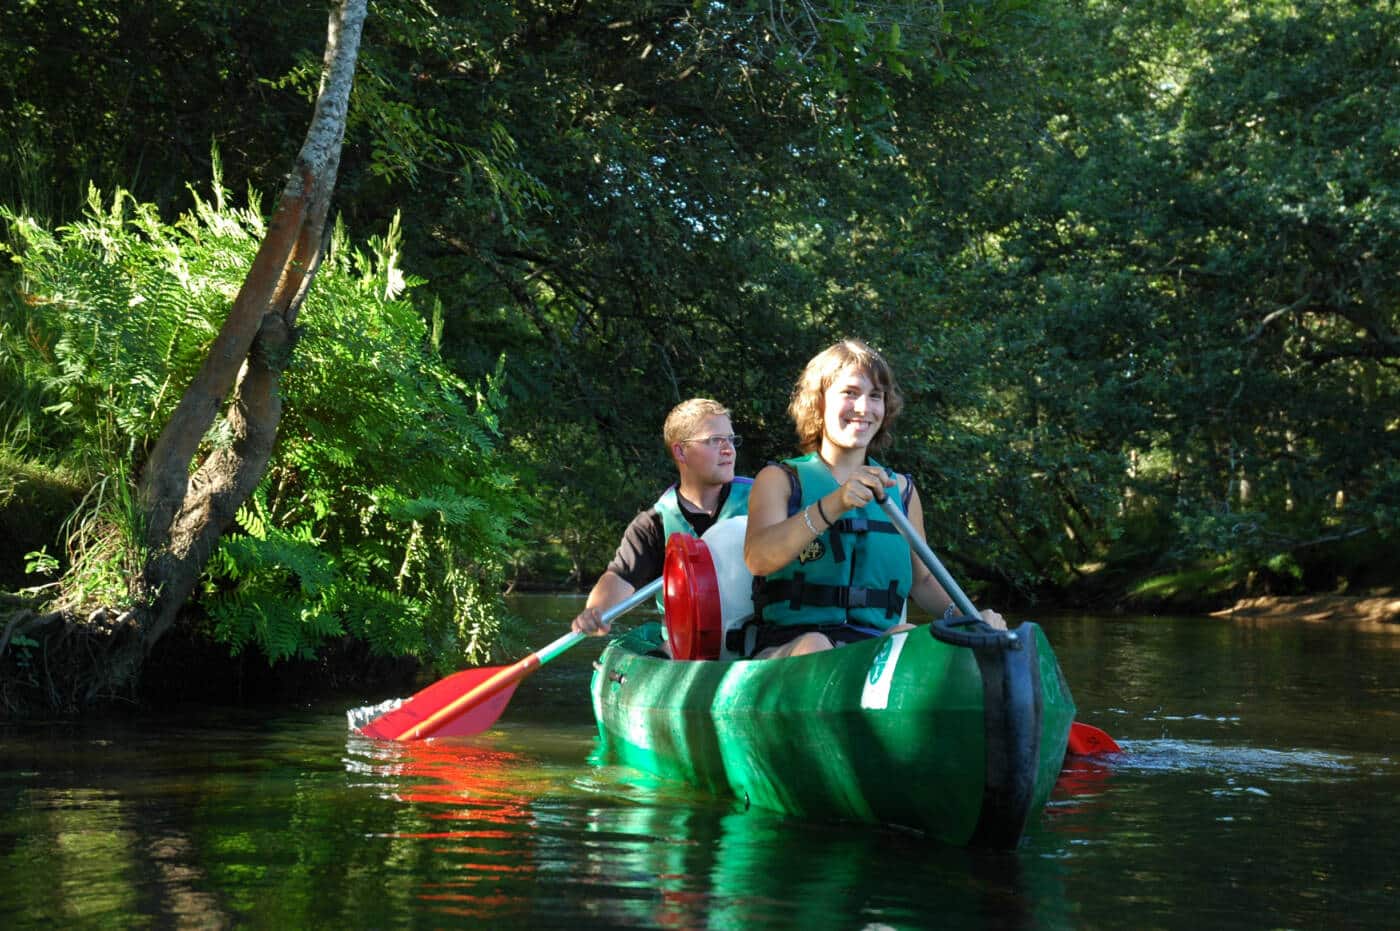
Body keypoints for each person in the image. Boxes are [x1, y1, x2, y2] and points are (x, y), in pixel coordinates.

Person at [742, 339, 1006, 658]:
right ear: (819, 402)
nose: (864, 408)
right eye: (850, 393)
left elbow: (921, 581)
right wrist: (834, 504)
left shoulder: (903, 491)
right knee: (816, 645)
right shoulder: (780, 480)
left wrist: (971, 620)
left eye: (875, 396)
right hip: (789, 645)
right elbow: (758, 559)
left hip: (871, 648)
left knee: (909, 636)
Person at [571, 398, 751, 637]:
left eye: (730, 439)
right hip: (686, 646)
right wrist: (595, 612)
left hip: (757, 637)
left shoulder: (764, 500)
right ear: (680, 451)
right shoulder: (653, 525)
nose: (729, 449)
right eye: (714, 441)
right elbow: (620, 578)